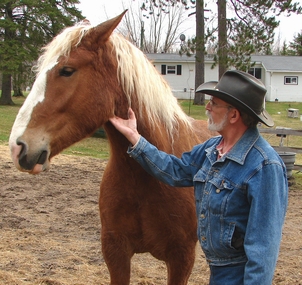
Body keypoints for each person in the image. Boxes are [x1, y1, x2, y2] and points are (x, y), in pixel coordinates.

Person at [109, 70, 288, 285]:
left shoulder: (265, 166)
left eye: (214, 102)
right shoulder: (212, 149)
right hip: (218, 270)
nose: (207, 107)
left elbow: (263, 249)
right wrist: (135, 138)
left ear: (234, 115)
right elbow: (175, 170)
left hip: (239, 275)